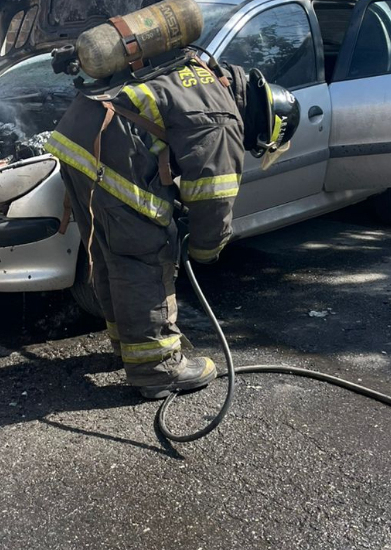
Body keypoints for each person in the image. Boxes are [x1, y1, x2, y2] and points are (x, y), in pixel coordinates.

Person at [45, 51, 250, 399]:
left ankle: (128, 346)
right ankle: (159, 369)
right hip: (111, 152)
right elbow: (213, 195)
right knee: (144, 256)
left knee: (111, 253)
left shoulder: (198, 72)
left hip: (77, 142)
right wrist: (204, 249)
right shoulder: (222, 115)